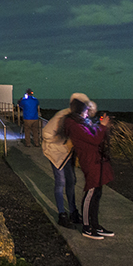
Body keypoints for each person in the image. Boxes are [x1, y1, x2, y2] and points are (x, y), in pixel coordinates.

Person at [64, 98, 115, 240]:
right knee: (91, 191)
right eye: (86, 111)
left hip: (96, 159)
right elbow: (94, 140)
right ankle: (86, 227)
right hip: (89, 161)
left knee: (97, 192)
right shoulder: (74, 125)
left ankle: (95, 225)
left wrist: (99, 125)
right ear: (80, 111)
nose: (88, 114)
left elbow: (93, 135)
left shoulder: (80, 122)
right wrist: (103, 126)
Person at [42, 92, 90, 228]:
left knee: (71, 180)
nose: (87, 115)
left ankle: (73, 212)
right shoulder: (62, 116)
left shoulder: (76, 119)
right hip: (56, 152)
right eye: (85, 112)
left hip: (67, 153)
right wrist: (60, 141)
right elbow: (46, 133)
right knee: (60, 182)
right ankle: (62, 215)